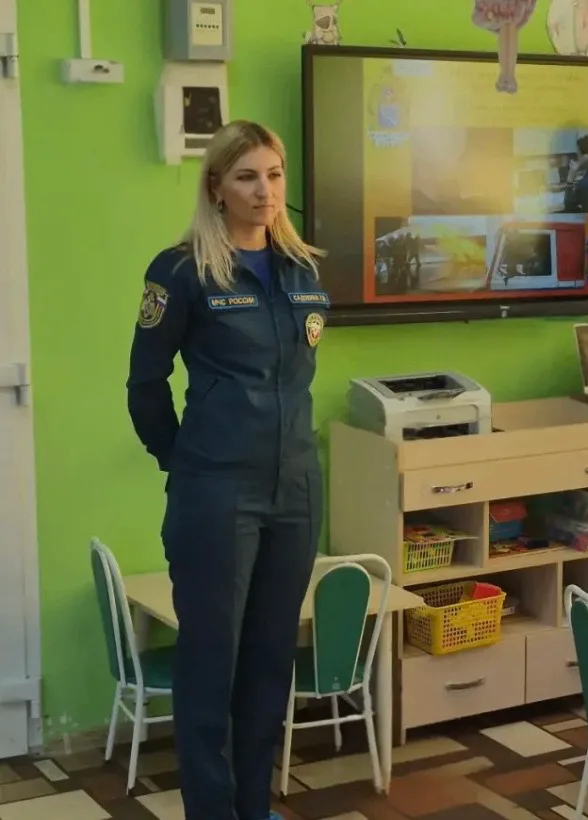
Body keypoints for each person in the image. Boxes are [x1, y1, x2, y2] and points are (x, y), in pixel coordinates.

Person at [126, 120, 327, 820]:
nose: (264, 190)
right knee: (212, 663)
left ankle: (252, 806)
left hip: (295, 487)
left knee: (271, 659)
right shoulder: (181, 271)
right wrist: (182, 461)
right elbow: (145, 385)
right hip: (217, 490)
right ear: (216, 186)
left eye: (273, 174)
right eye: (246, 176)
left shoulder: (302, 269)